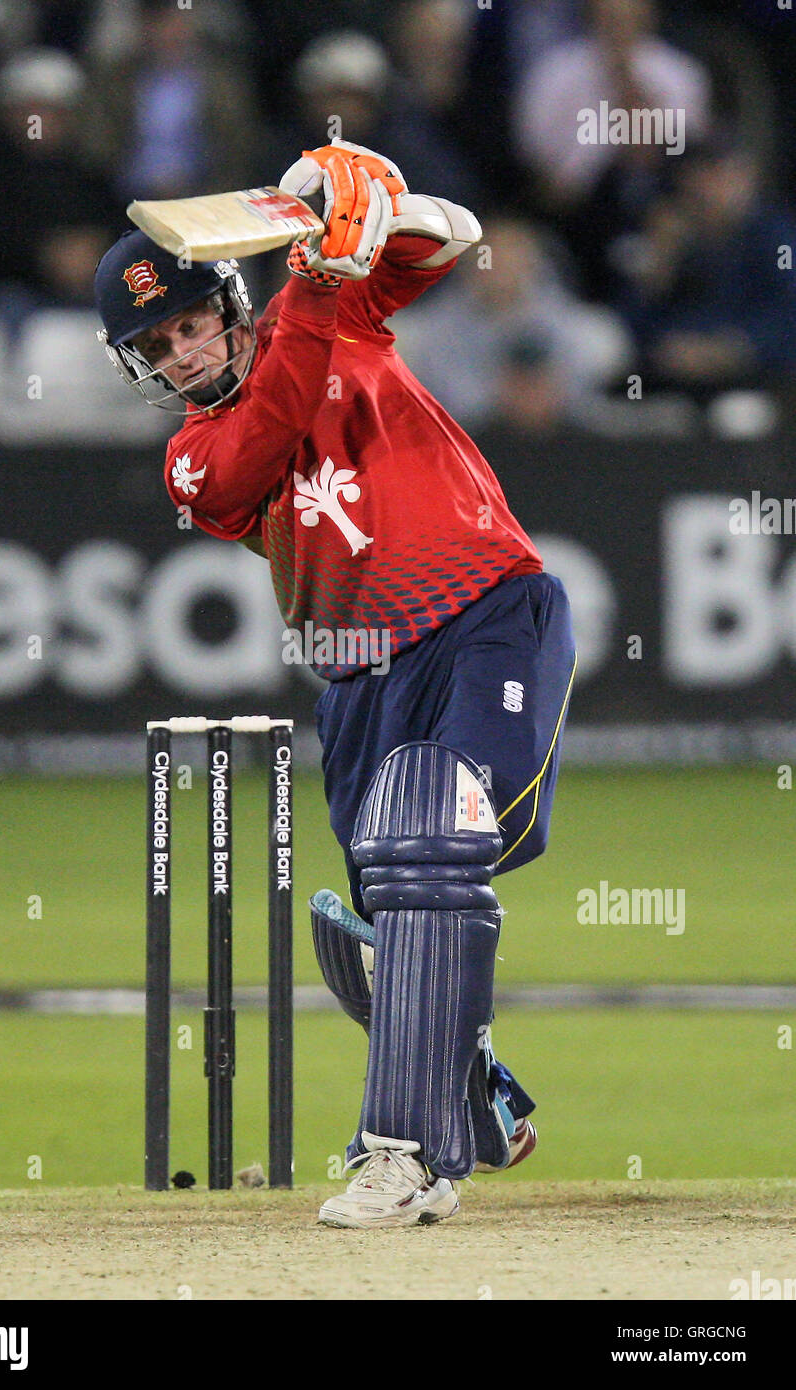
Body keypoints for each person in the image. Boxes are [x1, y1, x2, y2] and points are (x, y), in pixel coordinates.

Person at [94, 139, 576, 1228]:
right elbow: (272, 420)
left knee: (426, 842)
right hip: (358, 676)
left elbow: (450, 237)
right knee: (402, 911)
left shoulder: (339, 309)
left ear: (227, 299)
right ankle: (473, 1094)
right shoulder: (195, 459)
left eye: (187, 324)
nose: (178, 355)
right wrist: (319, 275)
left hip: (488, 616)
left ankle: (399, 1155)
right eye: (153, 346)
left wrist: (357, 195)